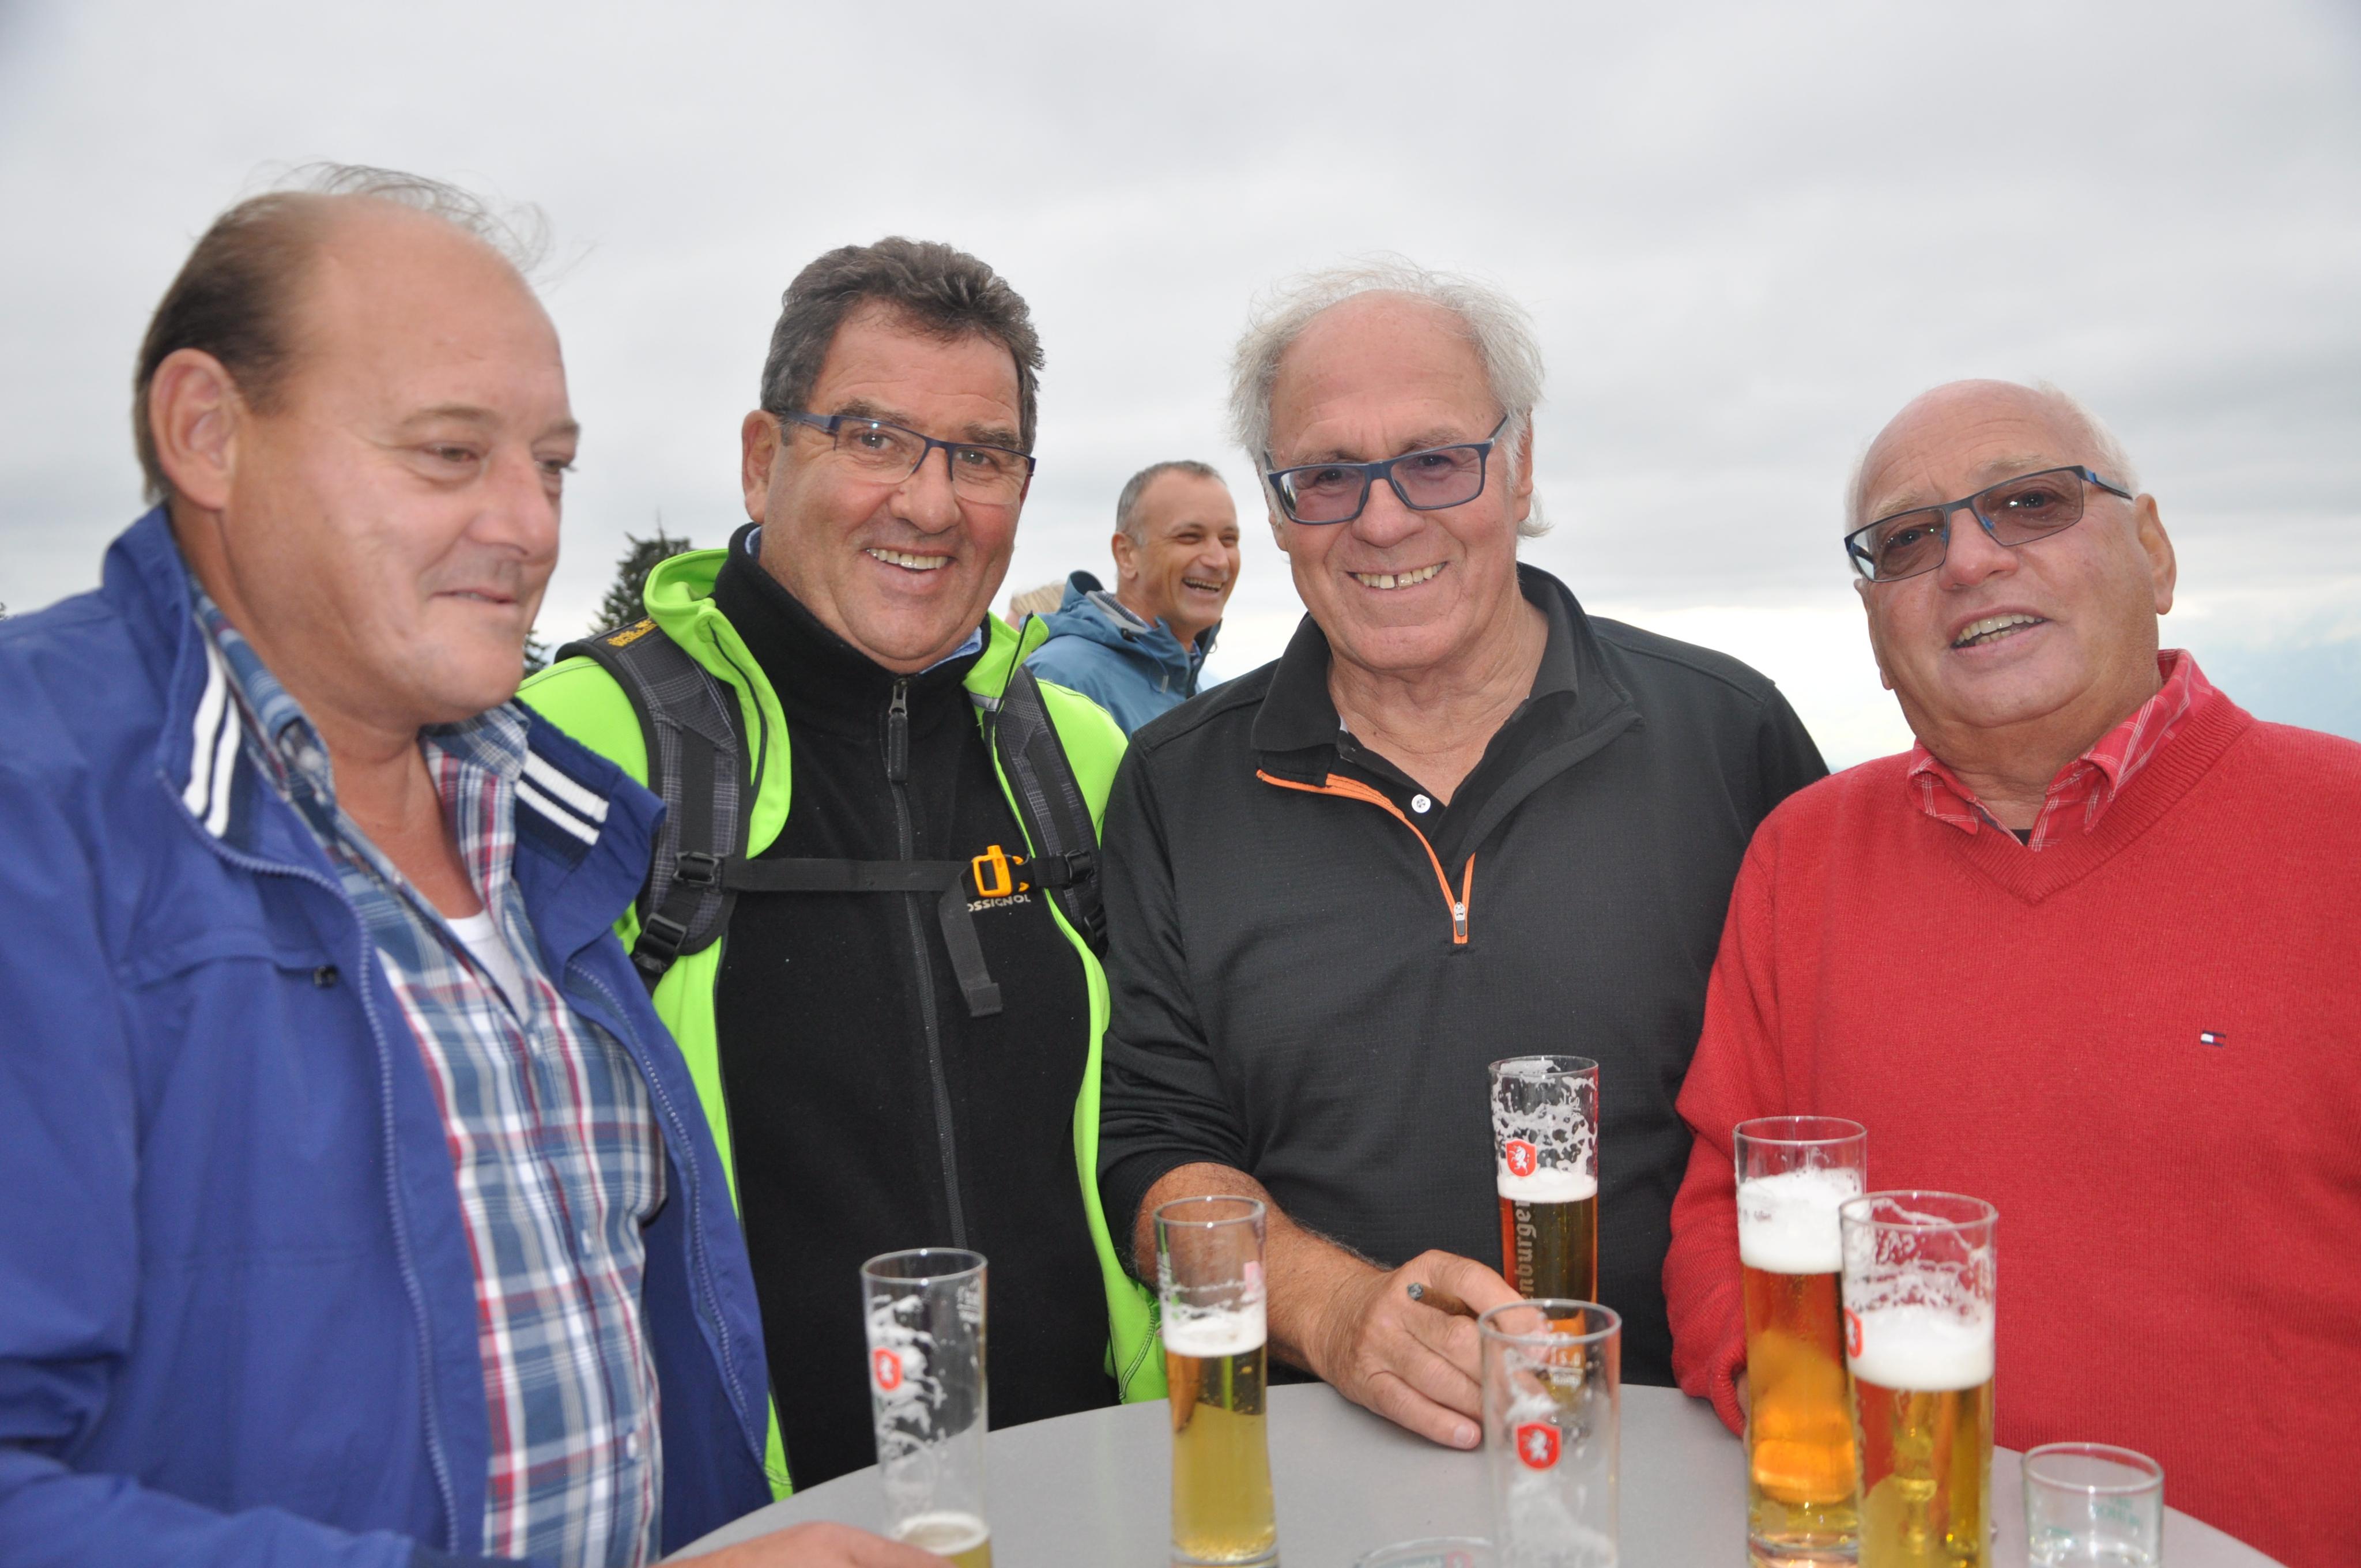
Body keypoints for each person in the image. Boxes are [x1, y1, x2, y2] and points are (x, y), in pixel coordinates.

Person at [0, 168, 942, 1567]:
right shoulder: (39, 812)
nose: (529, 525)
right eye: (451, 453)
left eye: (550, 465)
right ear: (207, 431)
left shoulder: (551, 826)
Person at [1094, 259, 1827, 1450]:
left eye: (1436, 460)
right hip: (1318, 1472)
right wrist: (1337, 1313)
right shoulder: (1176, 785)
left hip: (1685, 1458)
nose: (1383, 519)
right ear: (1276, 510)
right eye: (1327, 475)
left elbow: (1833, 1108)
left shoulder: (1728, 738)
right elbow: (1155, 1149)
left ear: (1520, 467)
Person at [1661, 379, 2361, 1568]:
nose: (1970, 560)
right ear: (1873, 629)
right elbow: (1720, 1215)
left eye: (2030, 503)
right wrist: (1806, 1443)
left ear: (2153, 552)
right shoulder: (1799, 857)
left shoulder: (2340, 835)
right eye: (1906, 541)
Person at [522, 238, 1157, 1495]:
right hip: (755, 1525)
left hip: (1102, 1496)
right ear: (763, 458)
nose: (930, 503)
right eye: (873, 437)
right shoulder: (585, 745)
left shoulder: (1074, 753)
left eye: (979, 456)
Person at [1025, 459, 1239, 732]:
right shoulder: (1064, 679)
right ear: (1126, 554)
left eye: (1229, 540)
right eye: (1190, 537)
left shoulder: (1184, 681)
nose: (1219, 560)